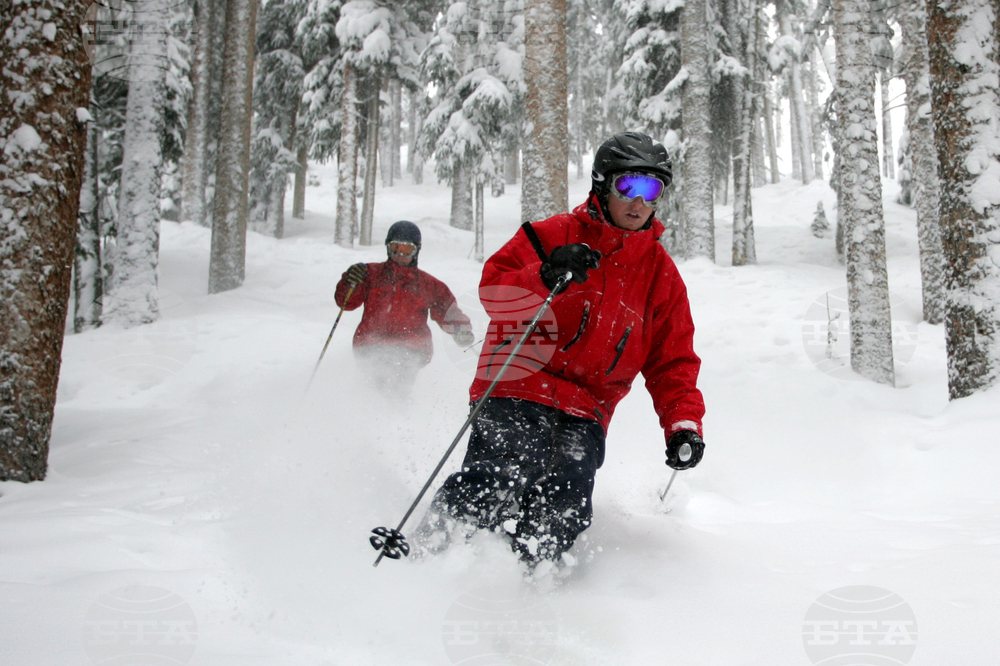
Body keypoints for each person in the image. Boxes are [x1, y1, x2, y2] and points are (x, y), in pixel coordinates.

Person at [419, 132, 706, 569]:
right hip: (517, 382)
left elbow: (673, 361)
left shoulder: (660, 275)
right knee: (503, 469)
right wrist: (546, 272)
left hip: (587, 408)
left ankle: (532, 581)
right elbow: (494, 291)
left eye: (653, 190)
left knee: (566, 496)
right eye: (629, 186)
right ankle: (434, 556)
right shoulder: (552, 234)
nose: (640, 202)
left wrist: (682, 423)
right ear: (602, 185)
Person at [335, 221, 474, 393]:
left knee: (396, 380)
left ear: (416, 251)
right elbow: (346, 303)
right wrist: (350, 281)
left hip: (410, 347)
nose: (400, 255)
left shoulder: (427, 284)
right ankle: (374, 412)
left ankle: (397, 412)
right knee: (373, 385)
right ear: (387, 248)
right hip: (371, 344)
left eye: (407, 250)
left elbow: (447, 310)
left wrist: (460, 329)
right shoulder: (371, 274)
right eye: (395, 249)